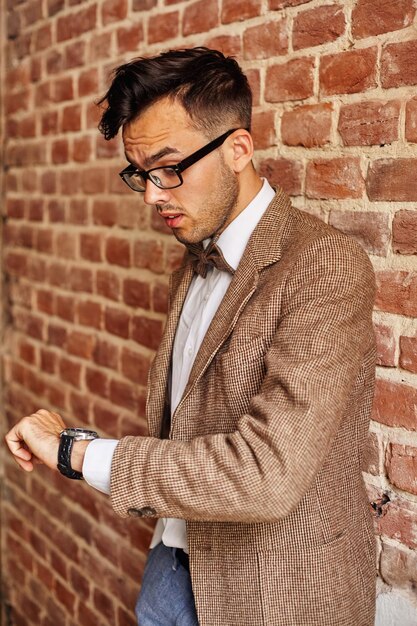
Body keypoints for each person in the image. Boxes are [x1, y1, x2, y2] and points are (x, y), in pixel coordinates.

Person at [5, 47, 377, 626]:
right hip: (171, 564)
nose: (153, 194)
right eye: (140, 174)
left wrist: (77, 452)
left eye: (168, 167)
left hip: (271, 594)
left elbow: (266, 473)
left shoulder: (324, 265)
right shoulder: (195, 256)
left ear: (238, 149)